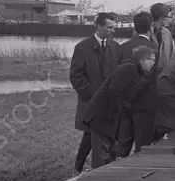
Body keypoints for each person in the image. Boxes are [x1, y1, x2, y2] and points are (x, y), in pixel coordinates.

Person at [84, 44, 157, 168]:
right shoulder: (128, 68)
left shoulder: (136, 71)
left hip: (109, 118)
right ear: (144, 60)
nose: (153, 64)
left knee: (110, 153)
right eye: (153, 61)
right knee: (101, 155)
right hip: (102, 116)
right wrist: (118, 111)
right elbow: (114, 90)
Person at [69, 12, 119, 172]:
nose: (112, 31)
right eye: (109, 27)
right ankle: (84, 166)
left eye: (114, 28)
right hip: (91, 102)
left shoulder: (116, 48)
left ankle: (82, 165)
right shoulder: (82, 48)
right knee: (93, 133)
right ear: (98, 26)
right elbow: (76, 76)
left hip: (109, 103)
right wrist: (92, 94)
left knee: (96, 134)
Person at [116, 11, 160, 156]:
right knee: (144, 145)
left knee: (124, 142)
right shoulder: (153, 48)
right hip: (145, 103)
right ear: (151, 27)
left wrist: (127, 96)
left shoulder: (123, 47)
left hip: (125, 103)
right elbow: (150, 76)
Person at [150, 3, 175, 73]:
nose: (169, 19)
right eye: (167, 17)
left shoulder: (167, 33)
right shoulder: (146, 32)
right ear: (161, 18)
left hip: (163, 74)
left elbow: (171, 55)